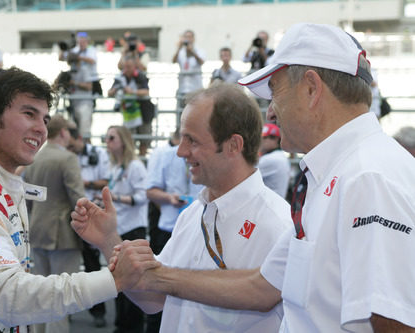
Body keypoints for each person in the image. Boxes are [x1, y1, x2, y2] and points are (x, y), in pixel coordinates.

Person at [94, 23, 415, 333]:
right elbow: (262, 288)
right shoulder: (341, 172)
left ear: (311, 88)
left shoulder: (367, 177)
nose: (271, 112)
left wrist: (153, 276)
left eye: (274, 93)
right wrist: (153, 277)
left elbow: (396, 324)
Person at [0, 68, 158, 332]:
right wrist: (112, 279)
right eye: (29, 113)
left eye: (45, 118)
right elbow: (9, 297)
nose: (41, 129)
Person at [72, 83, 293, 332]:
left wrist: (158, 276)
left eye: (192, 140)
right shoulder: (192, 214)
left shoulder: (277, 225)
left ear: (233, 145)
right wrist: (108, 239)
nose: (180, 151)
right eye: (181, 138)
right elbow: (154, 299)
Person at [23, 115, 86, 333]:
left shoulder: (33, 158)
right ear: (64, 133)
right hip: (62, 235)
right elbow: (78, 199)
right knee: (62, 297)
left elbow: (28, 199)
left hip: (37, 230)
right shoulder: (67, 159)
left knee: (40, 295)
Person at [144, 132, 204, 333]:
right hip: (168, 229)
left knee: (191, 292)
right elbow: (150, 191)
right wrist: (169, 198)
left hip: (198, 229)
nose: (184, 150)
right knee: (158, 290)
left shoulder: (205, 156)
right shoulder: (165, 155)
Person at [103, 125, 148, 333]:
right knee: (119, 282)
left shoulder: (135, 166)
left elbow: (142, 196)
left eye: (111, 138)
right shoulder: (114, 166)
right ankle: (121, 325)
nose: (107, 142)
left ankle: (132, 328)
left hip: (133, 229)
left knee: (133, 284)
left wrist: (116, 198)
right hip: (119, 228)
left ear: (123, 140)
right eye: (106, 138)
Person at [68, 130, 111, 328]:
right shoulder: (65, 155)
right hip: (68, 215)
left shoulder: (98, 154)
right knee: (66, 267)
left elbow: (106, 181)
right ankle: (64, 310)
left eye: (71, 144)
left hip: (90, 214)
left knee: (92, 265)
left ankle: (98, 312)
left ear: (79, 138)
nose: (69, 148)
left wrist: (83, 183)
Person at [108, 57, 155, 156]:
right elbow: (110, 92)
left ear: (134, 66)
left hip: (144, 113)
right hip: (130, 114)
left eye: (129, 67)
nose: (126, 69)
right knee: (129, 139)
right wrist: (115, 90)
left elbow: (146, 91)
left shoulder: (140, 76)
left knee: (144, 139)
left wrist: (132, 92)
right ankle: (131, 159)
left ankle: (142, 159)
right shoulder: (120, 77)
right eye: (125, 67)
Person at [59, 31, 101, 107]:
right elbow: (61, 58)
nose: (81, 43)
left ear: (87, 41)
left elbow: (92, 60)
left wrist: (78, 57)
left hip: (91, 79)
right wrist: (64, 49)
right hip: (76, 78)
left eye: (83, 41)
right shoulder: (75, 50)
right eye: (79, 41)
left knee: (91, 104)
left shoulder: (91, 50)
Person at [172, 30, 206, 109]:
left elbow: (201, 62)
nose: (188, 39)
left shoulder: (199, 50)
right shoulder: (181, 52)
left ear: (193, 39)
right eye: (186, 37)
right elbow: (173, 61)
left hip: (196, 89)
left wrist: (192, 52)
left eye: (190, 37)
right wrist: (178, 48)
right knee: (182, 113)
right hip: (183, 89)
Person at [258, 123, 291, 198]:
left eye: (265, 137)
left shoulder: (272, 159)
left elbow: (243, 176)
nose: (261, 141)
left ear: (276, 139)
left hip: (269, 205)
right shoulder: (278, 156)